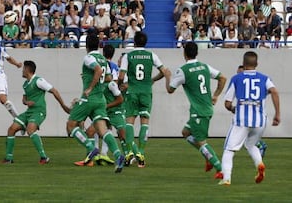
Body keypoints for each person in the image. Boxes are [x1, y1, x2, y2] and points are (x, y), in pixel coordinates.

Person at [164, 42, 226, 179]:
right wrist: (215, 95)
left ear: (184, 53)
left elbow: (170, 90)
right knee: (185, 132)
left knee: (201, 142)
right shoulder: (204, 66)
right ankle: (208, 157)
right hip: (206, 108)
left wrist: (167, 76)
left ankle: (220, 169)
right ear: (197, 53)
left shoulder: (183, 70)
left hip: (199, 112)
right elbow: (222, 77)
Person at [66, 33, 125, 173]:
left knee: (70, 125)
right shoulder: (104, 59)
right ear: (99, 45)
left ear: (86, 46)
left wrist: (90, 87)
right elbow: (109, 77)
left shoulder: (88, 57)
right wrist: (91, 77)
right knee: (103, 130)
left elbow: (98, 70)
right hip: (101, 100)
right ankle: (117, 155)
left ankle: (91, 147)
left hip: (89, 98)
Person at [219, 51, 280, 186]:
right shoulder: (264, 78)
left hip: (241, 121)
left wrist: (233, 109)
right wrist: (277, 114)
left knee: (229, 150)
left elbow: (227, 103)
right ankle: (259, 164)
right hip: (259, 121)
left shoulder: (237, 78)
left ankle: (226, 178)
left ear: (244, 64)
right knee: (251, 145)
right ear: (256, 64)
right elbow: (274, 91)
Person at [1, 60, 70, 164]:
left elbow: (54, 91)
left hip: (39, 111)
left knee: (30, 130)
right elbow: (24, 99)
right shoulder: (25, 84)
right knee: (11, 129)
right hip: (29, 112)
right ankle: (8, 158)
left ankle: (44, 157)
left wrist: (63, 105)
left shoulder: (39, 81)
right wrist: (26, 102)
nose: (22, 71)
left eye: (23, 69)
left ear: (27, 70)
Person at [118, 31, 168, 167]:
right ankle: (140, 151)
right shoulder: (152, 55)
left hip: (132, 91)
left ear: (134, 42)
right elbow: (164, 72)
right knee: (144, 122)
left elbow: (121, 75)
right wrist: (152, 80)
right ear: (145, 42)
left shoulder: (128, 56)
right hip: (146, 92)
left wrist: (120, 86)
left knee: (129, 122)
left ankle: (128, 151)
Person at [237, 65, 268, 157]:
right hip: (251, 114)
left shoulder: (249, 84)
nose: (238, 74)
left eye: (240, 72)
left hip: (253, 114)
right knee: (247, 135)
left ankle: (260, 145)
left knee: (245, 136)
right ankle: (259, 144)